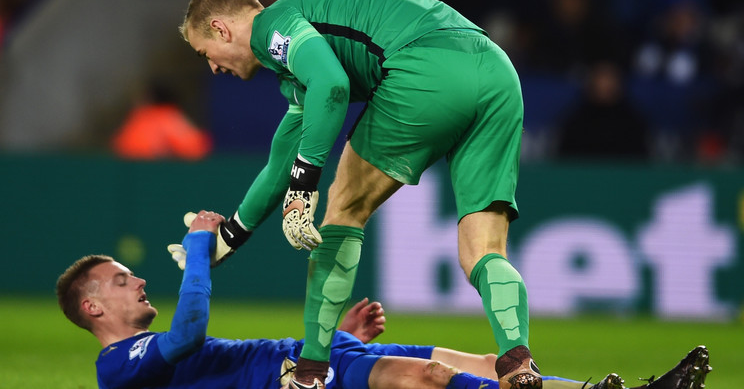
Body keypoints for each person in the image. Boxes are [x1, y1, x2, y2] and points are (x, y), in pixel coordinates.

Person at [178, 0, 536, 388]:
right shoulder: (296, 59)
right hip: (495, 69)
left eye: (205, 52)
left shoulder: (272, 28)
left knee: (344, 210)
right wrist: (232, 234)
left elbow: (333, 84)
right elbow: (282, 158)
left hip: (426, 68)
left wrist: (304, 185)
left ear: (222, 29)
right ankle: (516, 361)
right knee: (483, 249)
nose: (212, 67)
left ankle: (310, 372)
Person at [55, 210, 711, 389]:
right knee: (432, 377)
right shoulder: (117, 368)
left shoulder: (140, 353)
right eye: (120, 280)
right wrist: (200, 250)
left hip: (315, 361)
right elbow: (193, 332)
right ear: (92, 309)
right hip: (296, 383)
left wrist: (339, 339)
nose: (136, 281)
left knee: (493, 363)